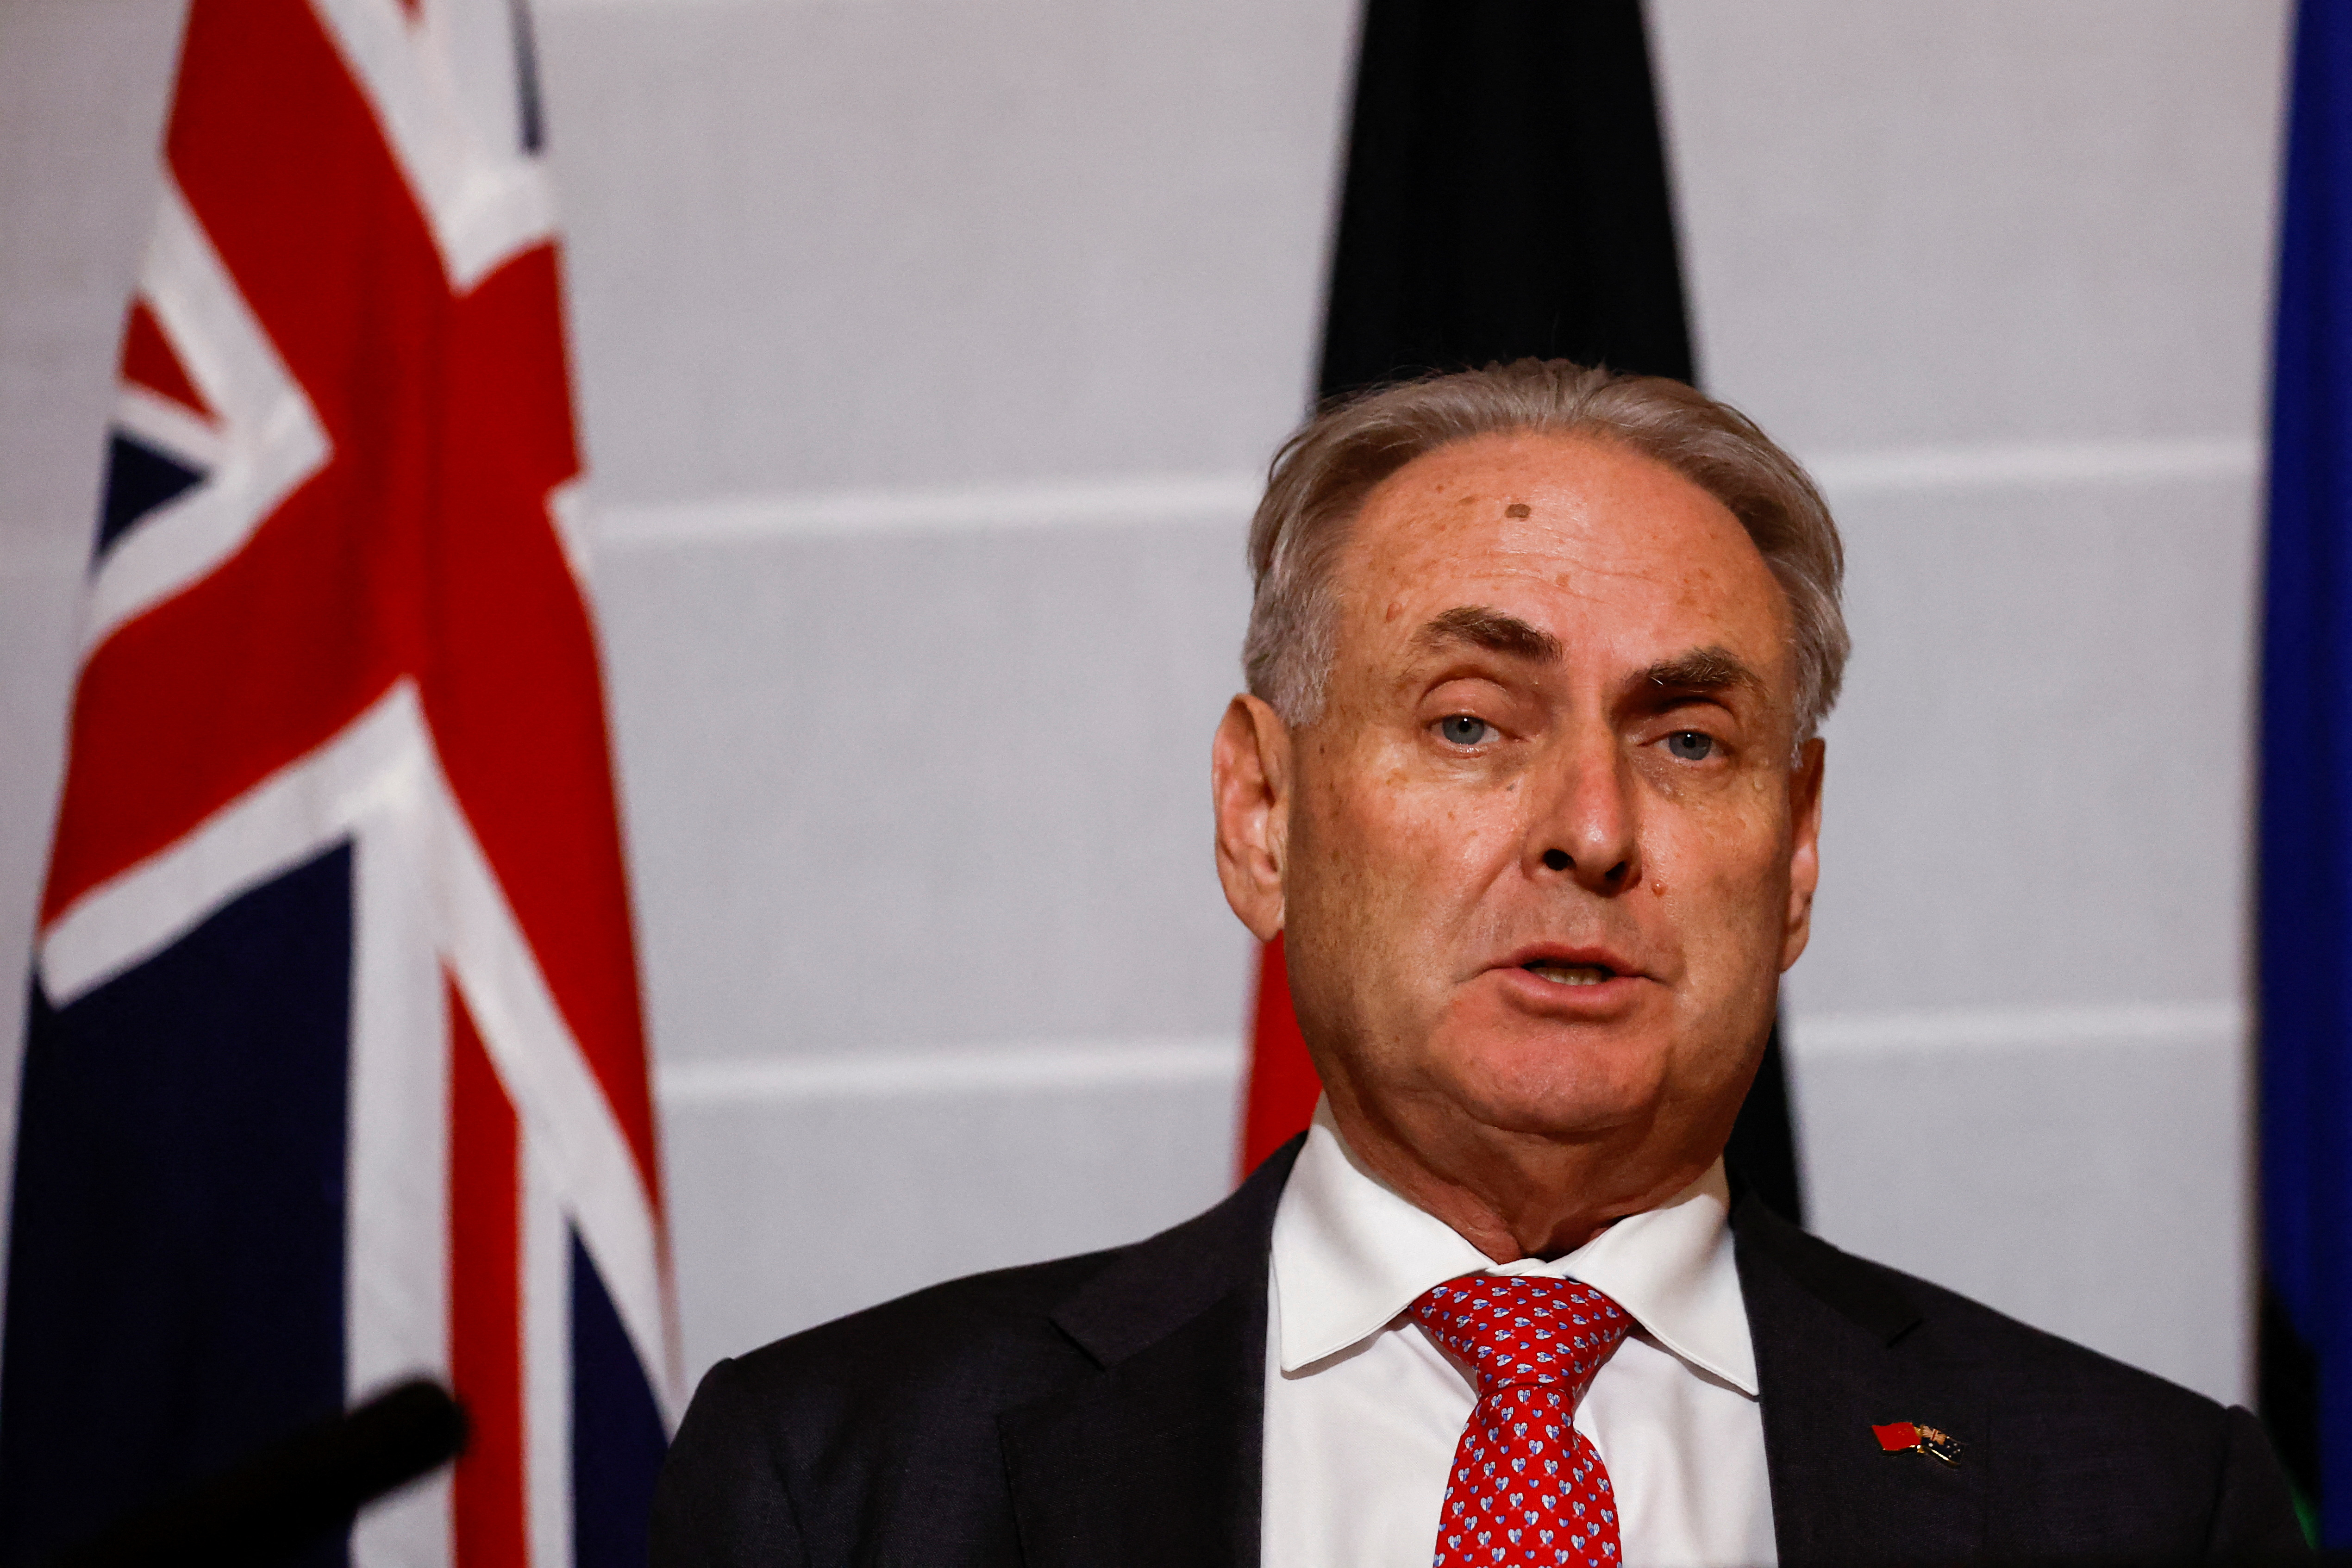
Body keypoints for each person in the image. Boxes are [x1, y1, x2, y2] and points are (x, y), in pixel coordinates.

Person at [649, 361, 2306, 1567]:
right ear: (1262, 812)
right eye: (1467, 722)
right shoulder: (846, 1480)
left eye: (1690, 738)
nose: (1592, 826)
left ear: (1796, 850)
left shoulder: (2149, 1504)